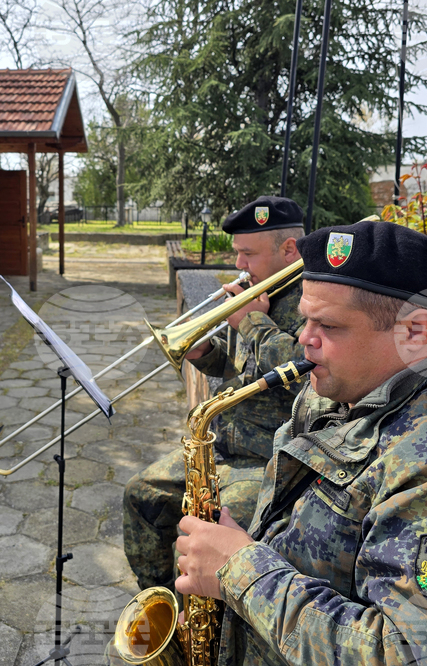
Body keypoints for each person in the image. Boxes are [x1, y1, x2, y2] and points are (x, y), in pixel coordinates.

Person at [173, 220, 427, 665]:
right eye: (305, 318)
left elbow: (416, 656)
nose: (304, 339)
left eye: (327, 324)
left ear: (417, 332)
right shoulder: (356, 384)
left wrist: (240, 569)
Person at [123, 196, 307, 591]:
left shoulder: (314, 299)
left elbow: (304, 374)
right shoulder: (258, 291)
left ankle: (196, 627)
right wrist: (207, 355)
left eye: (247, 254)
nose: (238, 264)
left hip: (270, 458)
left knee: (194, 544)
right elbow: (241, 370)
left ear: (288, 249)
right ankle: (159, 603)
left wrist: (253, 323)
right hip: (224, 442)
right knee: (141, 494)